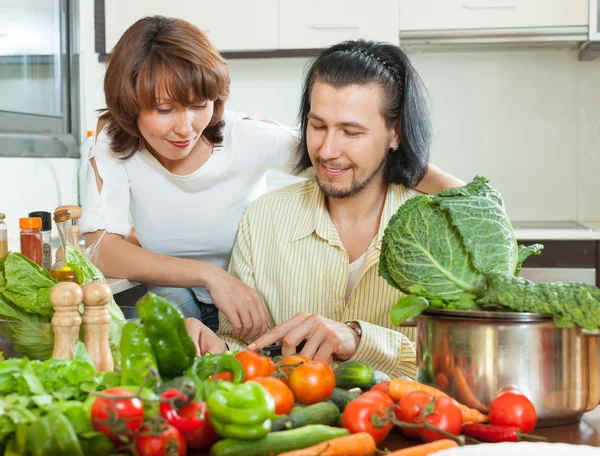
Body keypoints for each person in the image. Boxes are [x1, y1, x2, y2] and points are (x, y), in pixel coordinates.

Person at [80, 15, 463, 340]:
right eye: (164, 109)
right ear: (130, 106)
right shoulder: (113, 143)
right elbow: (101, 249)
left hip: (246, 303)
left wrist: (463, 196)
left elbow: (340, 158)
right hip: (176, 299)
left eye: (199, 106)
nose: (185, 127)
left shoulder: (245, 137)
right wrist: (209, 275)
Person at [184, 39, 457, 378]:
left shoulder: (440, 233)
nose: (327, 150)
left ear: (394, 134)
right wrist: (218, 348)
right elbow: (246, 347)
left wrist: (360, 339)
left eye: (351, 132)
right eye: (318, 126)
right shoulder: (263, 218)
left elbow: (458, 363)